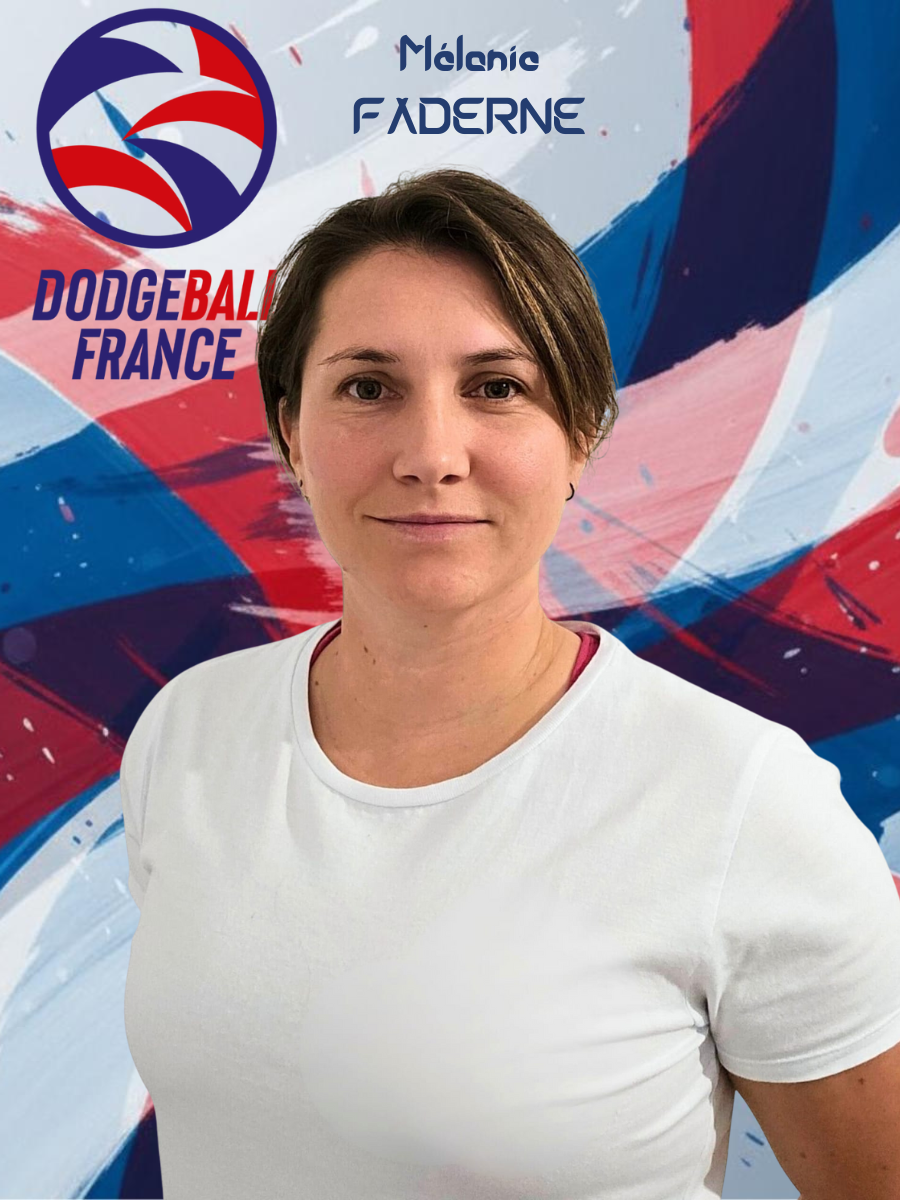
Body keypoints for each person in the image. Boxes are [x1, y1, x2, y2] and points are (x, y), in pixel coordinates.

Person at [121, 168, 900, 1200]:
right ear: (290, 434)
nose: (431, 455)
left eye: (496, 388)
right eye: (368, 388)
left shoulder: (743, 799)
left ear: (579, 436)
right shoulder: (188, 732)